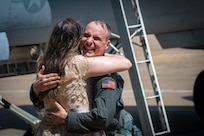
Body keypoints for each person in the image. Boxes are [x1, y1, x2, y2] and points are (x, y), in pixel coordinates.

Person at [30, 20, 142, 135]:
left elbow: (101, 118)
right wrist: (35, 89)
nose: (89, 41)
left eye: (96, 38)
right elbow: (126, 62)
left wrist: (67, 118)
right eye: (86, 35)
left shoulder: (104, 75)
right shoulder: (75, 63)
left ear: (107, 44)